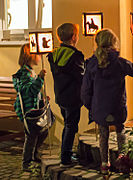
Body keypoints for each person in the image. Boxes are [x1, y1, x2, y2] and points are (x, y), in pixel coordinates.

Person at [81, 29, 133, 175]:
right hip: (117, 107)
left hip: (99, 108)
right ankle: (122, 162)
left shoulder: (91, 64)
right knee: (120, 131)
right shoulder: (119, 62)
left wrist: (91, 106)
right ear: (113, 43)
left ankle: (104, 164)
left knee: (103, 134)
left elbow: (85, 90)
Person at [47, 23, 85, 168]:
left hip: (61, 96)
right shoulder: (75, 56)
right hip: (74, 97)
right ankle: (65, 157)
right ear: (74, 37)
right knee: (71, 126)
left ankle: (66, 152)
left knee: (68, 125)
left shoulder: (54, 54)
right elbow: (81, 76)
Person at [12, 43, 48, 172]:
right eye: (37, 54)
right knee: (31, 135)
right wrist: (40, 79)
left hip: (34, 109)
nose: (40, 56)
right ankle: (26, 162)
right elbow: (29, 91)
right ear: (30, 56)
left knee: (44, 130)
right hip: (28, 111)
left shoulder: (30, 72)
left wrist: (42, 99)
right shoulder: (24, 74)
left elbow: (35, 92)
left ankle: (34, 154)